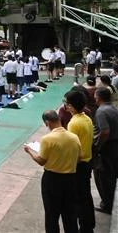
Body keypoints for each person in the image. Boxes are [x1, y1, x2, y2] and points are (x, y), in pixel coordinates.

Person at [23, 110, 81, 233]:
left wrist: (30, 152)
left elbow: (41, 161)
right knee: (70, 215)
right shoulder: (74, 137)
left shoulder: (47, 139)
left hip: (52, 180)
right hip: (70, 179)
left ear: (47, 123)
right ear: (59, 119)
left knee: (51, 215)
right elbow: (79, 158)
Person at [64, 89, 95, 232]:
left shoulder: (74, 123)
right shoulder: (86, 118)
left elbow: (73, 148)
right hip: (87, 162)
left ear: (71, 105)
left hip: (79, 165)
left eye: (66, 103)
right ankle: (88, 225)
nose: (65, 106)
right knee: (85, 197)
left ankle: (83, 227)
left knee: (77, 199)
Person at [92, 86, 118, 215]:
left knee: (103, 176)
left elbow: (105, 131)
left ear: (99, 98)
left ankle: (107, 204)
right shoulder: (113, 108)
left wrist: (98, 146)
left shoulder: (101, 111)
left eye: (96, 96)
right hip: (115, 145)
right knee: (111, 174)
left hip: (107, 147)